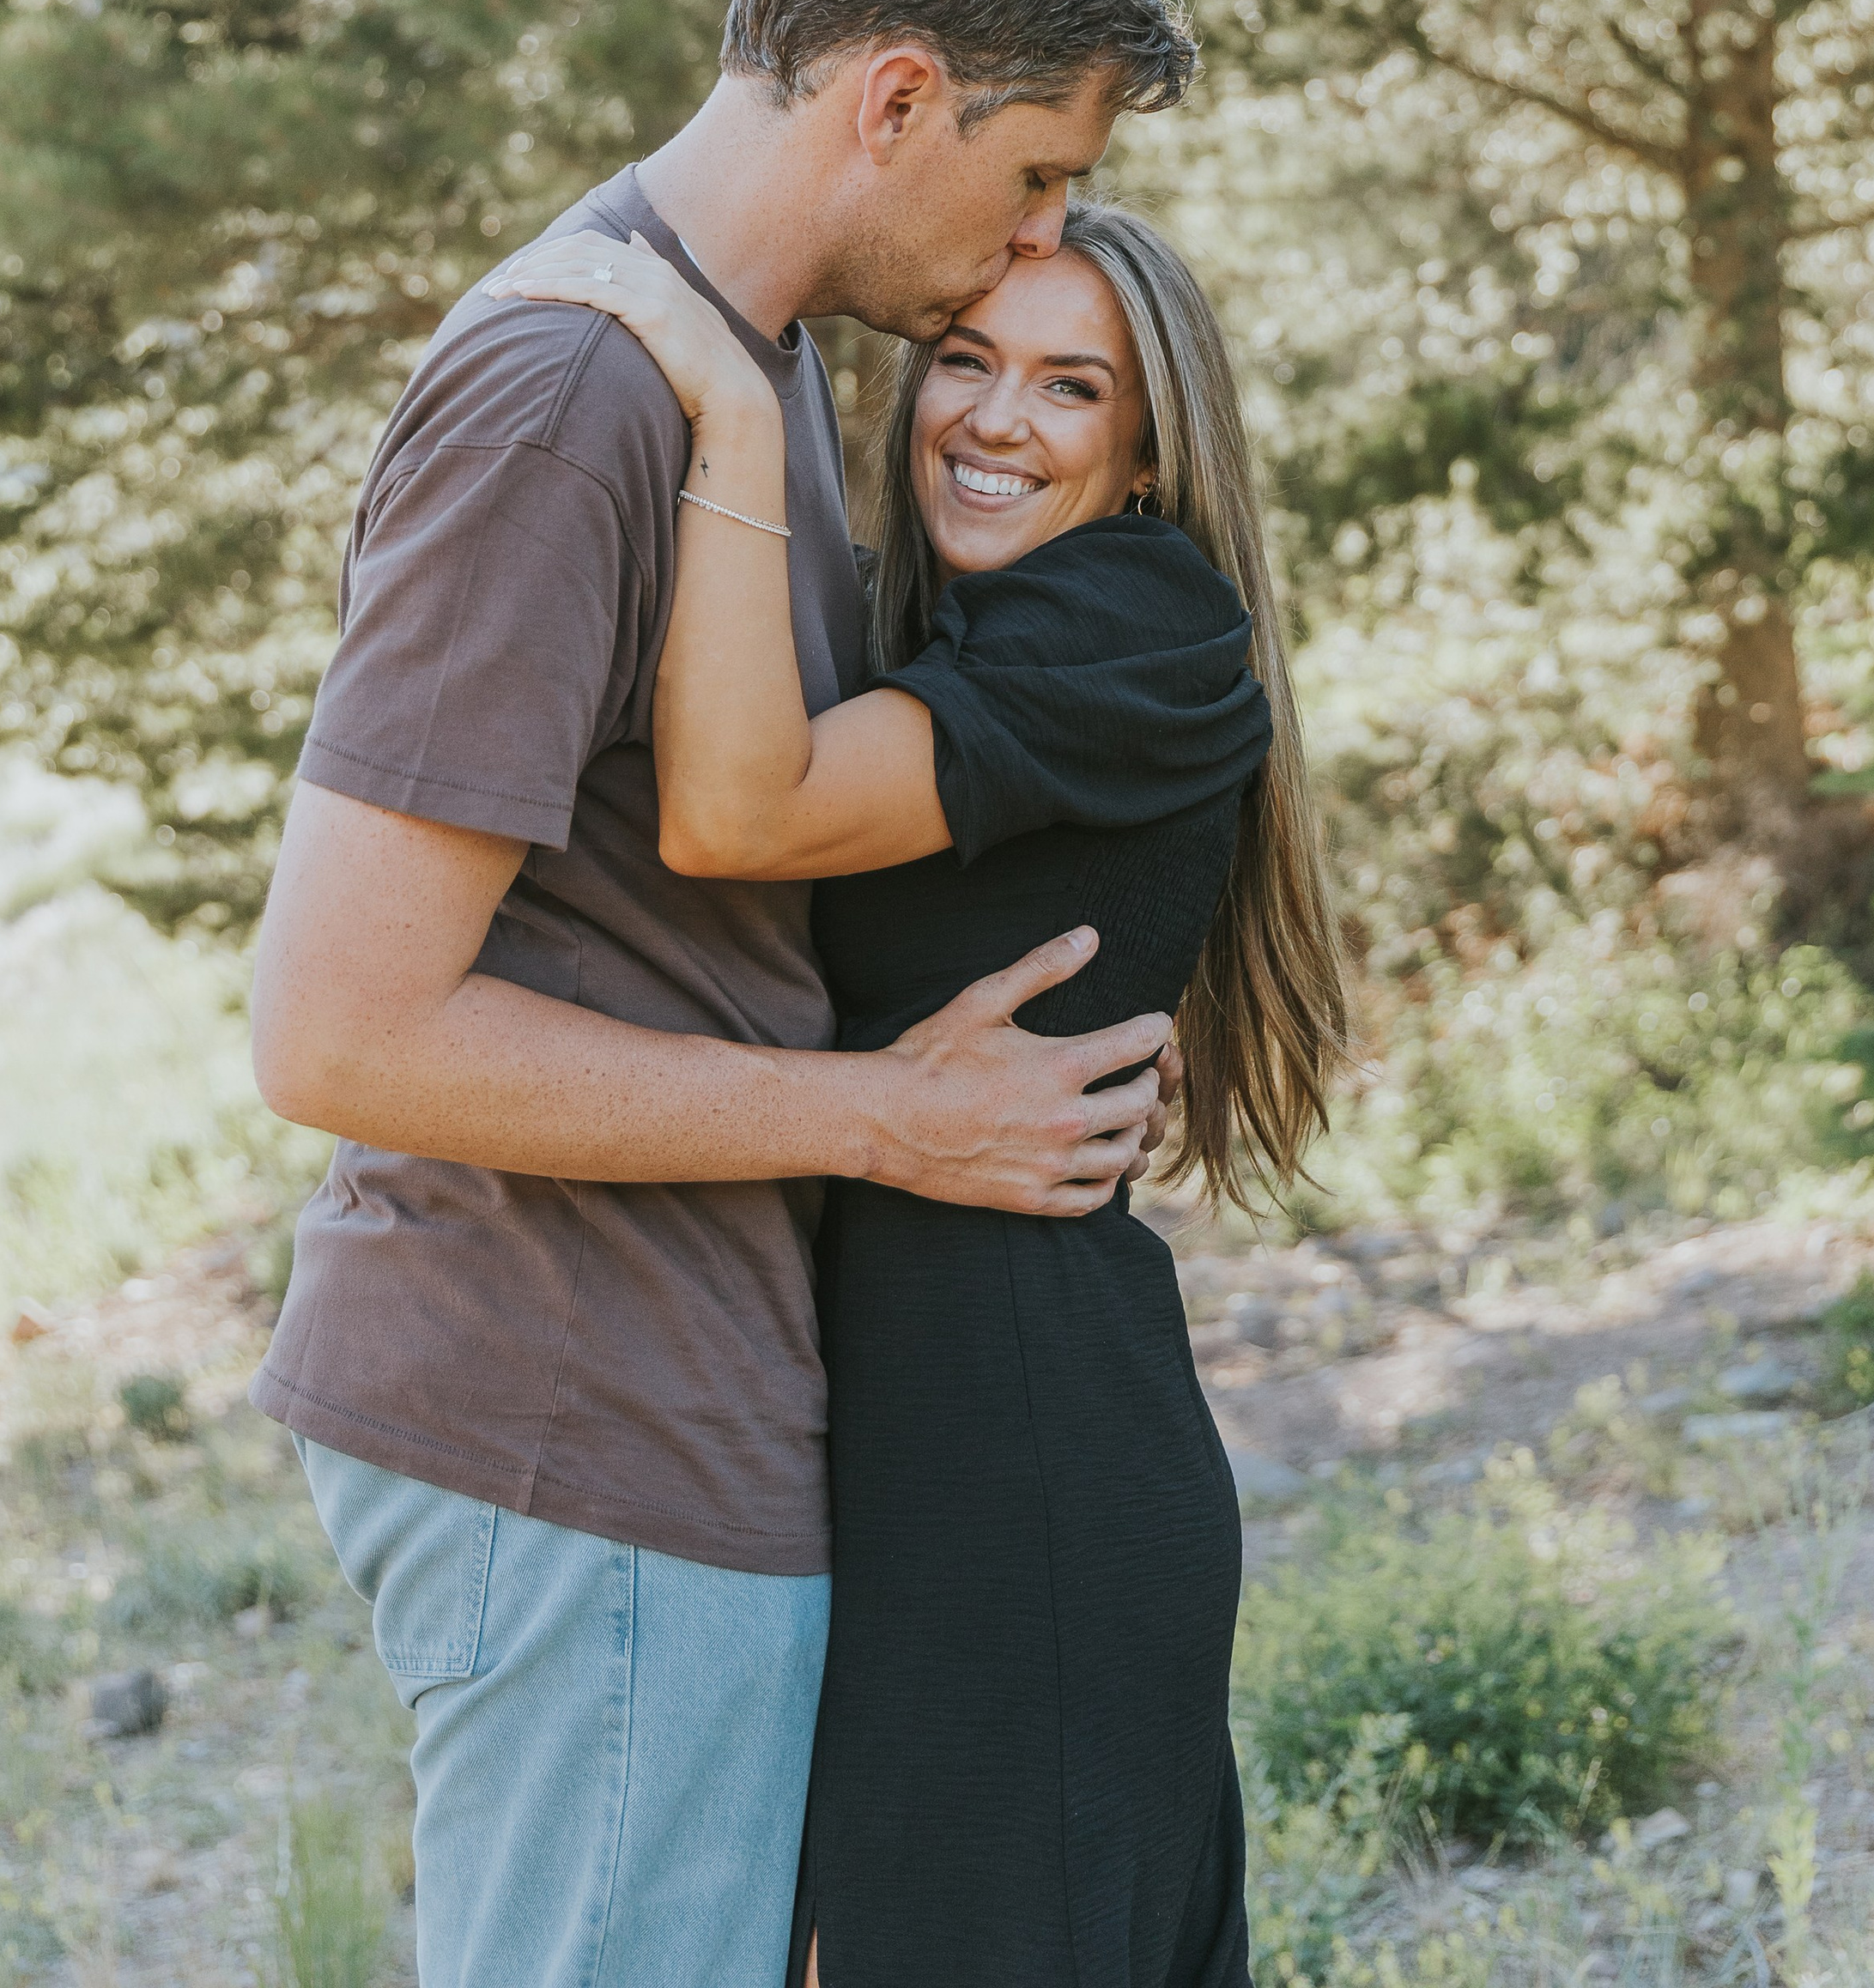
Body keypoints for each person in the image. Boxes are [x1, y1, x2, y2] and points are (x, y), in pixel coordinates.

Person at [247, 0, 1198, 1988]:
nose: (1040, 232)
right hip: (575, 1414)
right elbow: (337, 1031)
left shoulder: (733, 366)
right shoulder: (574, 389)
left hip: (674, 1407)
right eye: (1034, 173)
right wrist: (891, 1119)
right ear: (895, 98)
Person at [499, 194, 1349, 1988]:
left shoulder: (1129, 611)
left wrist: (730, 401)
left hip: (1011, 1451)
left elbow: (735, 812)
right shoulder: (964, 633)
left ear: (1147, 454)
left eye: (1070, 387)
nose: (994, 418)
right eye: (965, 361)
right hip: (907, 1430)